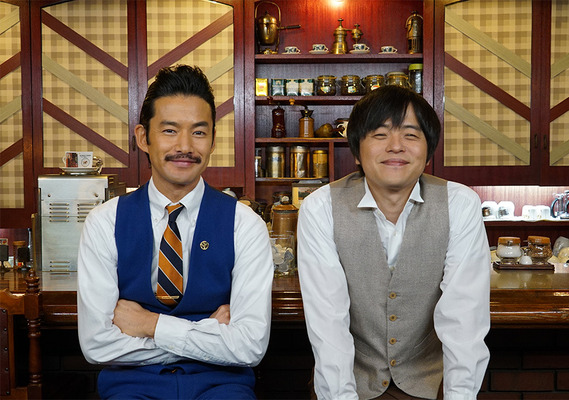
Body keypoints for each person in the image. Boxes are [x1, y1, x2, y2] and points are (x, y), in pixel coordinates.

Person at [77, 65, 274, 399]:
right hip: (132, 387)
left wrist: (149, 325)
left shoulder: (244, 224)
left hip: (222, 387)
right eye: (170, 131)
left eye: (199, 132)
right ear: (143, 138)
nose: (185, 146)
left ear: (213, 140)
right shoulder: (104, 222)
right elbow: (97, 345)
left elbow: (249, 347)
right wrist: (207, 334)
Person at [297, 85, 490, 400]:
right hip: (351, 380)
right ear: (357, 151)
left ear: (428, 151)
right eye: (380, 134)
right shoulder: (320, 208)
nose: (396, 146)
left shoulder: (459, 204)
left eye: (411, 135)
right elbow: (328, 324)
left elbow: (464, 319)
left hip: (430, 381)